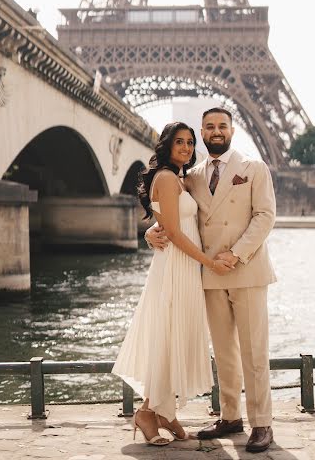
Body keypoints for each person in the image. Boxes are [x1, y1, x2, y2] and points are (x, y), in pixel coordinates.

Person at [146, 108, 277, 454]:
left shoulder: (255, 168)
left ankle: (262, 423)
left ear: (232, 129)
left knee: (254, 351)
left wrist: (236, 254)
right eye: (209, 127)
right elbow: (168, 208)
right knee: (224, 353)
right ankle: (231, 417)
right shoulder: (192, 176)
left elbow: (265, 216)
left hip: (245, 268)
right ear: (203, 133)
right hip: (210, 276)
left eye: (222, 126)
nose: (215, 131)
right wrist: (150, 230)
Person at [113, 121, 234, 446]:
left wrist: (151, 230)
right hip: (175, 267)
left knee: (174, 335)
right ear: (166, 145)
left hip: (182, 266)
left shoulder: (181, 179)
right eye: (179, 142)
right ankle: (148, 413)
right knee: (168, 337)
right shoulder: (167, 178)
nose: (186, 148)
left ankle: (164, 411)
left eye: (190, 143)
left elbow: (166, 224)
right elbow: (175, 233)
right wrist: (209, 263)